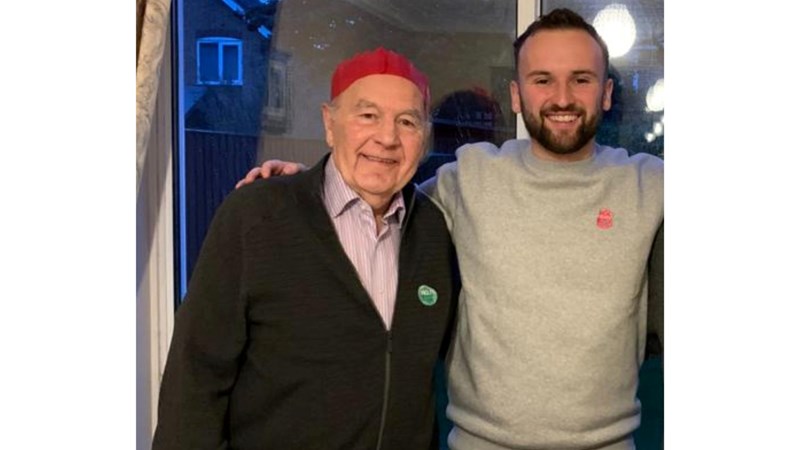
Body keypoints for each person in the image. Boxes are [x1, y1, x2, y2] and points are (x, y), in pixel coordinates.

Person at [240, 8, 663, 450]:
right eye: (542, 80)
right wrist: (311, 184)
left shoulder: (651, 183)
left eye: (581, 79)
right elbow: (379, 198)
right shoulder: (470, 176)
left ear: (606, 93)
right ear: (516, 95)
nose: (562, 98)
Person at [153, 47, 459, 450]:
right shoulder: (257, 216)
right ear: (330, 124)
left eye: (407, 121)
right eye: (368, 115)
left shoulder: (434, 231)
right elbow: (195, 376)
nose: (387, 138)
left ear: (424, 137)